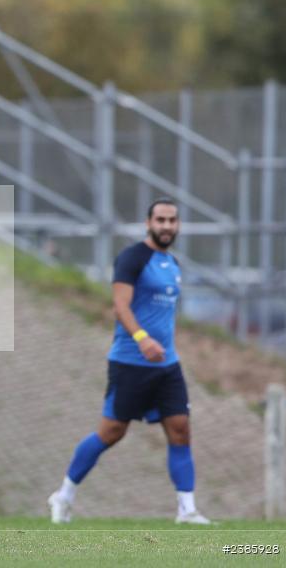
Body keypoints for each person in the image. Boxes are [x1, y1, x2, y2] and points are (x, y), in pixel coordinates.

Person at [48, 199, 211, 525]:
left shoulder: (173, 263)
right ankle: (63, 495)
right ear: (148, 222)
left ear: (178, 225)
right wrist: (142, 339)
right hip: (130, 362)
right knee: (111, 432)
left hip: (167, 366)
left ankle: (187, 510)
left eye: (172, 220)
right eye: (160, 220)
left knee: (180, 430)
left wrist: (161, 344)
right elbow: (120, 307)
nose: (166, 226)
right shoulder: (133, 258)